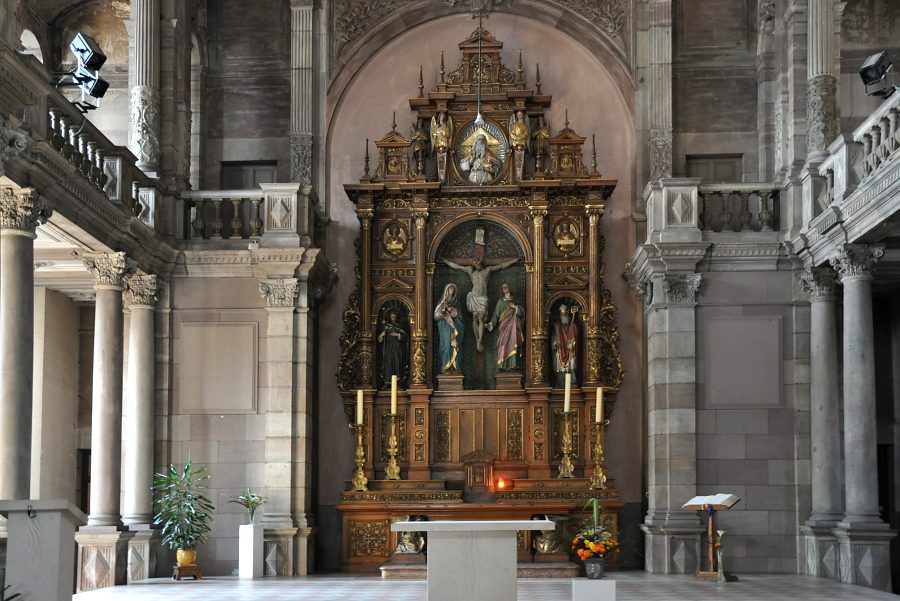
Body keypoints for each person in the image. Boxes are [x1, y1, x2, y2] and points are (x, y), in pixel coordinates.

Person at [443, 256, 519, 352]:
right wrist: (445, 261)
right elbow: (457, 266)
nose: (477, 266)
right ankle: (477, 341)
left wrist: (514, 260)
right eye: (475, 264)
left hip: (483, 298)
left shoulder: (487, 270)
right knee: (474, 318)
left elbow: (502, 266)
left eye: (478, 264)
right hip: (474, 297)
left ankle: (480, 341)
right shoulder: (470, 271)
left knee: (481, 319)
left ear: (481, 263)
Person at [486, 282, 525, 371]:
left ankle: (513, 365)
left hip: (514, 326)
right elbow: (496, 315)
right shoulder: (500, 302)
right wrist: (490, 324)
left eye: (506, 287)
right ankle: (502, 364)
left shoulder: (515, 301)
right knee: (503, 343)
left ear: (510, 288)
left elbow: (522, 313)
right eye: (503, 287)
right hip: (504, 327)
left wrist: (515, 307)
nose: (505, 289)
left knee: (513, 342)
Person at [434, 282, 464, 374]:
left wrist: (451, 309)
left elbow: (460, 317)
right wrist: (443, 310)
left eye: (454, 289)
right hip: (445, 329)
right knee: (446, 346)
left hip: (455, 328)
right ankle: (445, 367)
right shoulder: (441, 303)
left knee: (455, 347)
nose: (452, 290)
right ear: (447, 290)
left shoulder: (457, 303)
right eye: (451, 288)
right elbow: (436, 316)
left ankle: (455, 368)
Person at [551, 303, 578, 387]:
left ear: (568, 315)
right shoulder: (557, 326)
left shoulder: (572, 326)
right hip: (560, 349)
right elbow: (554, 336)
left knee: (571, 365)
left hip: (570, 350)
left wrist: (573, 342)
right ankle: (560, 382)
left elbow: (575, 336)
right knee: (560, 367)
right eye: (562, 315)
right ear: (560, 315)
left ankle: (572, 382)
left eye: (565, 314)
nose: (564, 316)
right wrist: (554, 343)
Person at [378, 308, 406, 387]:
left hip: (397, 347)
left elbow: (406, 336)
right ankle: (387, 381)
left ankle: (398, 381)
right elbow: (380, 338)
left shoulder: (399, 326)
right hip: (389, 347)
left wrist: (397, 335)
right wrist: (381, 336)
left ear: (396, 317)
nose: (393, 318)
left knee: (397, 362)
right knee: (388, 363)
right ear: (389, 317)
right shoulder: (387, 327)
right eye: (392, 317)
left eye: (394, 317)